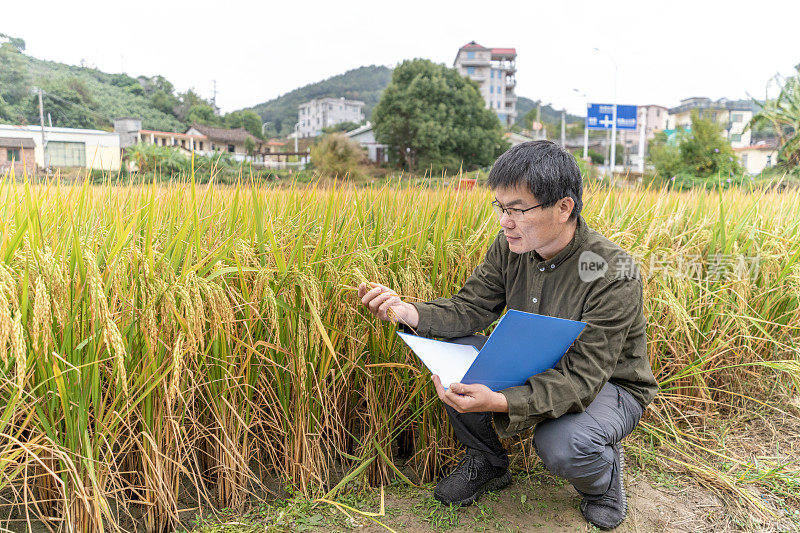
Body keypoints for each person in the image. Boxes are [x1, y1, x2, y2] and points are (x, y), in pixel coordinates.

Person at [357, 140, 658, 530]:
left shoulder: (611, 271)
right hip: (533, 363)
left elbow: (583, 378)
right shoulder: (510, 247)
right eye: (501, 207)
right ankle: (488, 461)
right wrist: (407, 311)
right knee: (448, 351)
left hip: (607, 385)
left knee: (563, 444)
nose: (505, 221)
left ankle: (602, 482)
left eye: (517, 209)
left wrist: (498, 400)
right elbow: (470, 308)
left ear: (564, 207)